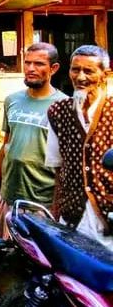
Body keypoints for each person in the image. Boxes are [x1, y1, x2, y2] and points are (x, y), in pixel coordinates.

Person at [0, 43, 66, 235]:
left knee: (37, 254)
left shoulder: (63, 106)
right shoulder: (12, 101)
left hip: (42, 203)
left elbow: (66, 163)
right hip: (9, 198)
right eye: (27, 63)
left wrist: (57, 207)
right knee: (3, 252)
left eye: (39, 64)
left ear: (53, 68)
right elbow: (6, 147)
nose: (30, 68)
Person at [46, 45, 113, 250]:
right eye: (75, 70)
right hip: (72, 215)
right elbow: (58, 168)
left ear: (105, 74)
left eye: (88, 71)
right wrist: (56, 212)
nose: (80, 77)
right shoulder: (58, 112)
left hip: (108, 217)